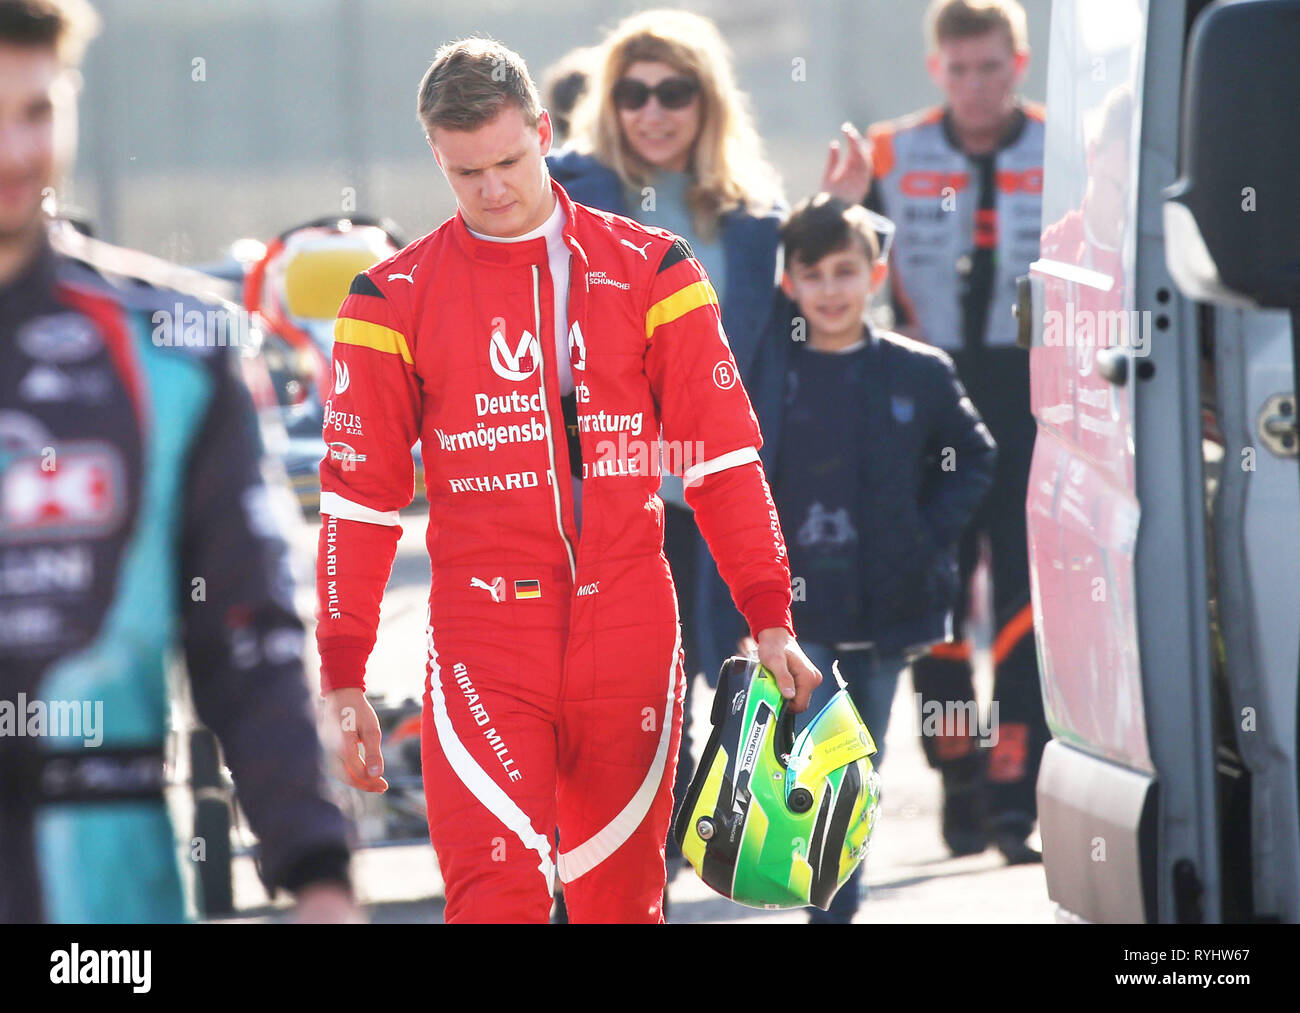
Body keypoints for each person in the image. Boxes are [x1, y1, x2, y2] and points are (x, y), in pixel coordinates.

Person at [315, 37, 820, 924]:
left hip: (627, 626)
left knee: (621, 906)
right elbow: (360, 500)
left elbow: (725, 460)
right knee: (492, 901)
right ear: (437, 155)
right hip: (482, 635)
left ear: (544, 132)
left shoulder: (655, 267)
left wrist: (768, 616)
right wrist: (343, 668)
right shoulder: (388, 298)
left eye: (509, 160)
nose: (493, 188)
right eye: (465, 171)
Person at [0, 0, 354, 923]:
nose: (12, 153)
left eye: (34, 113)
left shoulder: (176, 343)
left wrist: (318, 870)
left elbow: (250, 633)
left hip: (111, 907)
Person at [544, 7, 789, 899]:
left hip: (711, 481)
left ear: (705, 101)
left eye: (673, 92)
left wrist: (847, 208)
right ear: (610, 101)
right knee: (624, 677)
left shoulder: (751, 218)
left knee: (718, 667)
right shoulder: (563, 191)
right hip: (604, 488)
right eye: (634, 92)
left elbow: (783, 347)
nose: (653, 110)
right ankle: (615, 844)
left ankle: (700, 838)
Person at [765, 193, 996, 921]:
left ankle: (835, 907)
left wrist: (926, 536)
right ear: (790, 283)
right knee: (809, 762)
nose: (830, 289)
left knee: (858, 767)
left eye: (845, 270)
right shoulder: (774, 375)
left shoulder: (918, 372)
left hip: (890, 608)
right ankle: (822, 902)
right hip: (799, 611)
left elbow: (975, 459)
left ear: (877, 272)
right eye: (814, 274)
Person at [856, 0, 1047, 864]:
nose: (977, 87)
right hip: (927, 404)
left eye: (992, 68)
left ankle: (1015, 791)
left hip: (1032, 398)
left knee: (1024, 601)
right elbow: (826, 262)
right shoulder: (892, 154)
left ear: (1020, 62)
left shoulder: (1064, 148)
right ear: (937, 69)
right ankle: (958, 767)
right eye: (960, 69)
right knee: (932, 598)